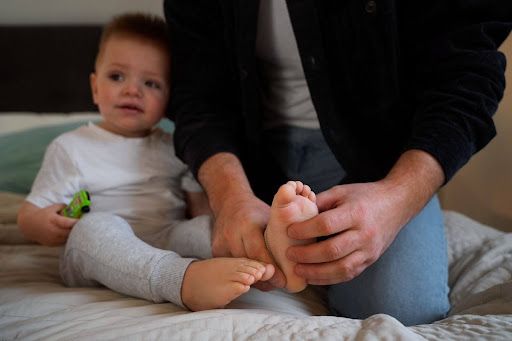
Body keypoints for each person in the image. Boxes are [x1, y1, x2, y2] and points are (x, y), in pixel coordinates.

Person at [164, 0, 512, 325]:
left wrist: (397, 197)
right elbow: (197, 97)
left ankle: (298, 226)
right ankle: (291, 222)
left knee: (401, 310)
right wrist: (229, 198)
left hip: (382, 162)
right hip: (250, 158)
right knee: (234, 293)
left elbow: (465, 78)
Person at [16, 12, 285, 312]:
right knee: (94, 227)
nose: (133, 90)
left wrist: (213, 229)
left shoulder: (176, 147)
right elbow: (28, 215)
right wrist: (44, 223)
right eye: (117, 76)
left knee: (207, 227)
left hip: (165, 236)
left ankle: (275, 250)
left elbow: (199, 206)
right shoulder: (71, 148)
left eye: (151, 83)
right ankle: (179, 281)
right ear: (95, 87)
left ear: (170, 99)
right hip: (95, 255)